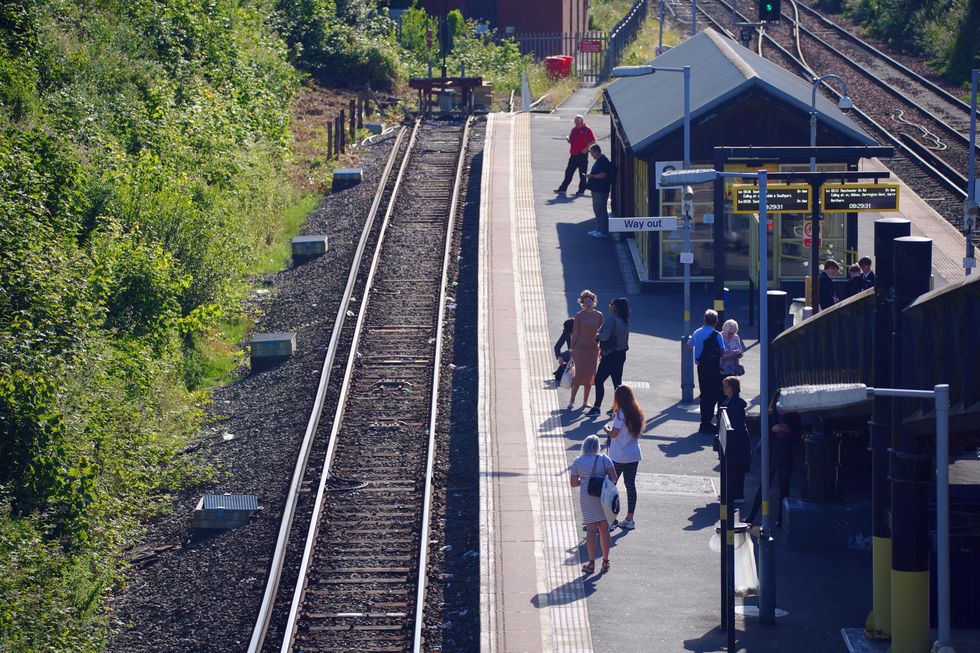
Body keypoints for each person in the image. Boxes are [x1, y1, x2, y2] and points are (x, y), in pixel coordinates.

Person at [745, 389, 803, 527]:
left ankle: (781, 519)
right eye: (779, 400)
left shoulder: (794, 416)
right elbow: (762, 435)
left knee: (784, 487)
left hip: (786, 452)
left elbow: (797, 436)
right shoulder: (770, 415)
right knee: (764, 485)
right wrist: (773, 429)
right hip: (772, 453)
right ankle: (752, 515)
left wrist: (788, 430)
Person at [570, 434, 618, 573]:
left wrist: (585, 481)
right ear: (598, 447)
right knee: (604, 528)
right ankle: (605, 561)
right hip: (603, 496)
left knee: (591, 528)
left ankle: (591, 563)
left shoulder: (578, 461)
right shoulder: (604, 459)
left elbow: (573, 483)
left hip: (587, 496)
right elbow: (614, 479)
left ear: (584, 446)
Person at [604, 385, 644, 531]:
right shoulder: (637, 412)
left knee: (610, 486)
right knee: (630, 485)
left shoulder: (621, 413)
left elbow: (614, 434)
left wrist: (606, 429)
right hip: (633, 454)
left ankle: (610, 520)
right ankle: (630, 519)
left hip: (619, 456)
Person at [590, 297, 629, 416]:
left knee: (599, 380)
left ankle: (596, 407)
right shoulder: (624, 321)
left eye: (610, 304)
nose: (609, 306)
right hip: (621, 353)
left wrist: (597, 335)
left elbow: (605, 336)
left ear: (614, 307)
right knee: (617, 383)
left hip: (610, 353)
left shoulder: (610, 319)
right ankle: (617, 408)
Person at [688, 309, 725, 433]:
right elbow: (722, 351)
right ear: (716, 322)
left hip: (701, 368)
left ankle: (704, 421)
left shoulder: (697, 332)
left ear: (704, 320)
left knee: (704, 394)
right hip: (714, 368)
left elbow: (689, 345)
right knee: (714, 394)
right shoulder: (717, 335)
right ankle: (708, 422)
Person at [719, 376, 751, 512]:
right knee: (734, 467)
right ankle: (733, 491)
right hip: (736, 440)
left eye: (725, 386)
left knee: (736, 467)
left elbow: (736, 423)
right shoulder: (731, 401)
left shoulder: (735, 403)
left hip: (737, 441)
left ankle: (736, 493)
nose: (724, 389)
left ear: (732, 388)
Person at [569, 290, 604, 410]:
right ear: (582, 303)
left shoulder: (599, 315)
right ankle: (572, 400)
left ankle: (585, 401)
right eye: (585, 302)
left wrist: (602, 348)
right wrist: (571, 348)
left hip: (593, 349)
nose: (588, 303)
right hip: (580, 348)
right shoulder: (579, 315)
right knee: (578, 375)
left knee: (590, 376)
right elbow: (575, 332)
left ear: (594, 302)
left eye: (590, 301)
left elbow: (602, 332)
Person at [553, 115, 595, 196]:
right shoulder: (574, 130)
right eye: (575, 123)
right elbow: (571, 140)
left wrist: (586, 148)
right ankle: (563, 189)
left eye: (578, 123)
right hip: (573, 155)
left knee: (582, 174)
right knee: (568, 172)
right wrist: (569, 140)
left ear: (582, 122)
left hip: (582, 155)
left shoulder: (587, 130)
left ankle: (581, 190)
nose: (576, 125)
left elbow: (593, 141)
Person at [585, 144, 613, 238]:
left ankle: (603, 231)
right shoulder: (599, 160)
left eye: (592, 153)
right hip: (596, 190)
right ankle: (599, 229)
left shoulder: (603, 161)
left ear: (597, 151)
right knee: (597, 210)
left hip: (601, 191)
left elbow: (603, 175)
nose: (591, 155)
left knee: (601, 210)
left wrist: (592, 176)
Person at [553, 318, 574, 384]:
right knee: (563, 356)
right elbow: (557, 346)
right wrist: (560, 357)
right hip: (570, 353)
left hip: (581, 354)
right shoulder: (566, 332)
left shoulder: (582, 332)